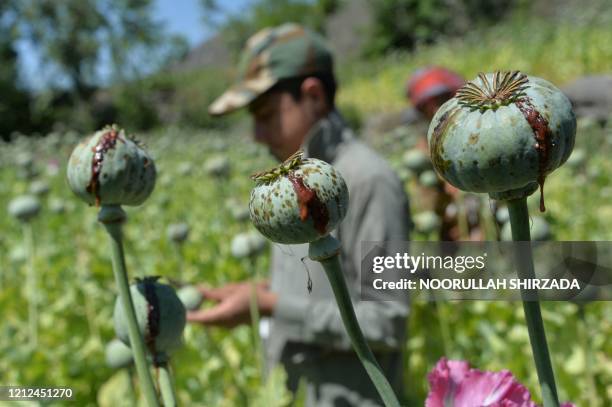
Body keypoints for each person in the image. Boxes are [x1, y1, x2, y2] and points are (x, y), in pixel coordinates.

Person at [187, 23, 412, 406]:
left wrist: (275, 308)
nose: (257, 134)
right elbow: (318, 284)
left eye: (267, 114)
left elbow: (388, 321)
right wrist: (257, 296)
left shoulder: (368, 181)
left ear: (314, 95)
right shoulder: (294, 185)